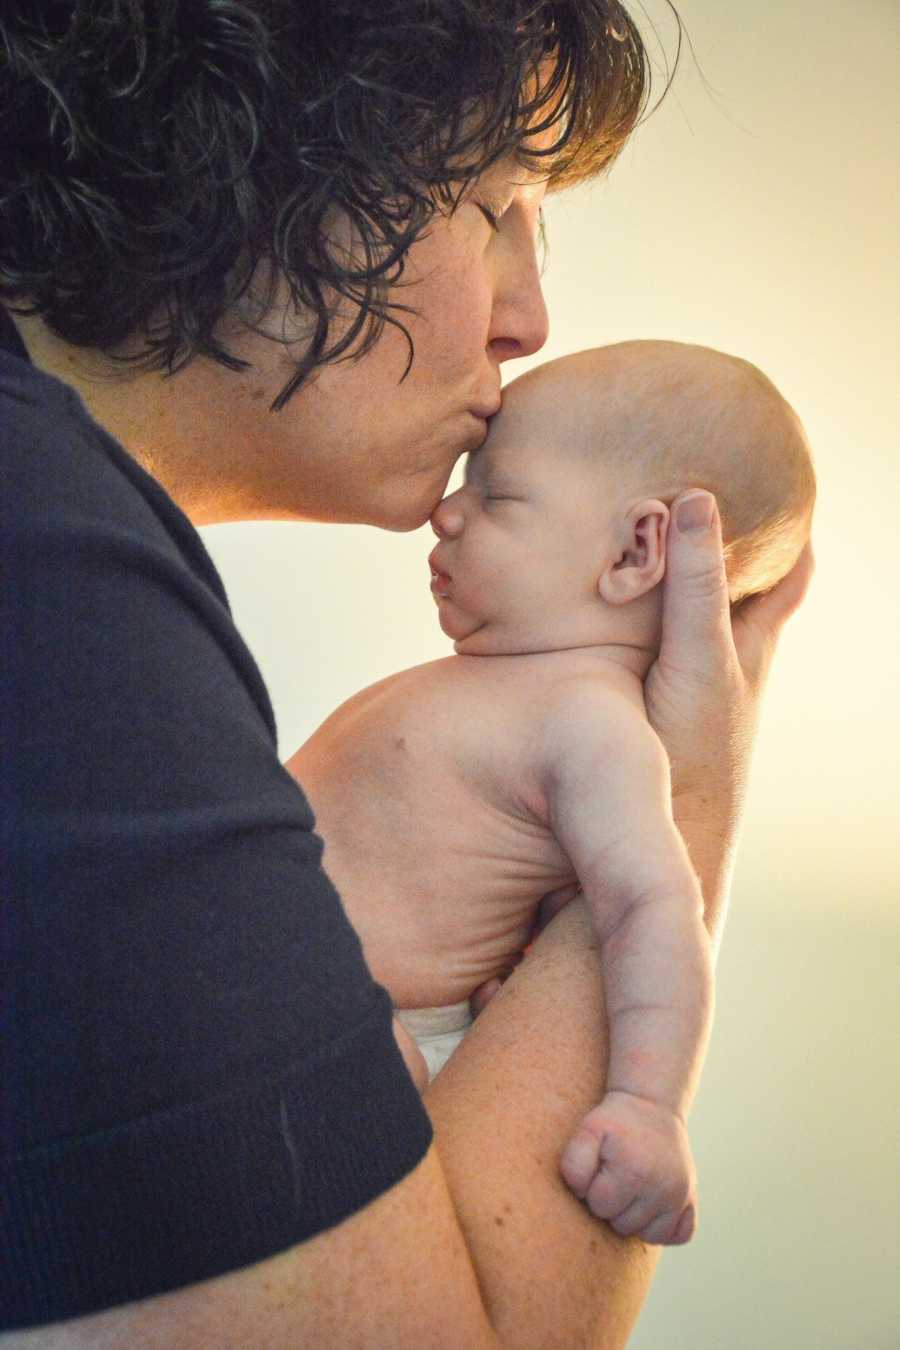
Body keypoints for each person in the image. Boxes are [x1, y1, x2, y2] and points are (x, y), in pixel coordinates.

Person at [0, 2, 813, 1345]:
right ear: (281, 143)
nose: (528, 317)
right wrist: (693, 778)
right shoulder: (51, 579)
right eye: (497, 203)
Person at [287, 338, 816, 1248]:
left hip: (379, 1042)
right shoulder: (499, 684)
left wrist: (650, 1106)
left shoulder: (593, 727)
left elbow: (653, 910)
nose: (446, 513)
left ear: (637, 549)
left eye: (498, 495)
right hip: (284, 1000)